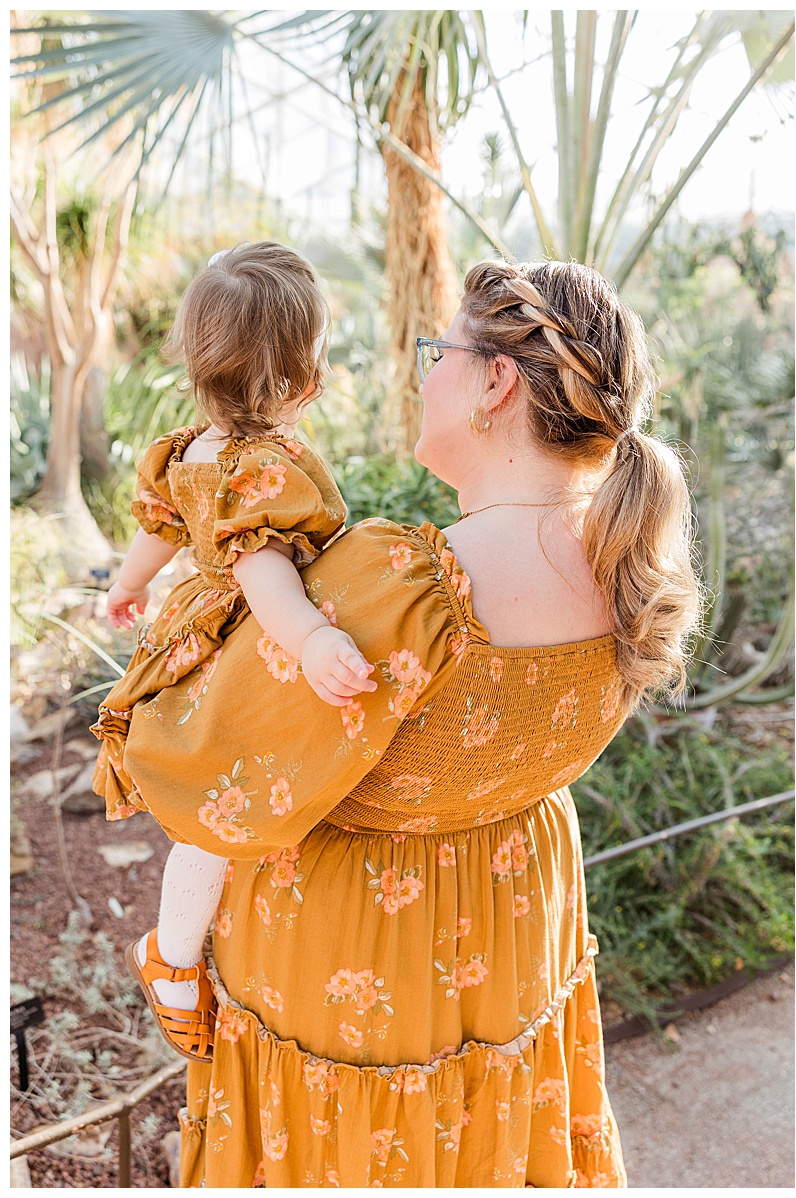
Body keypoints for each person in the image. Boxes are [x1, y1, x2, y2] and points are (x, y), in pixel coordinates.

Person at [109, 257, 698, 1186]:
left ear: (497, 381)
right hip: (512, 942)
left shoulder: (398, 588)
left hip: (353, 980)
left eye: (439, 352)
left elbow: (219, 759)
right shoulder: (631, 573)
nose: (424, 373)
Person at [94, 242, 375, 1064]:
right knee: (219, 818)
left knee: (225, 814)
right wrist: (316, 638)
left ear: (194, 357)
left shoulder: (189, 452)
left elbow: (157, 530)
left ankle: (195, 946)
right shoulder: (263, 470)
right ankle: (172, 962)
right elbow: (264, 574)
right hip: (251, 640)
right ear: (308, 380)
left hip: (206, 627)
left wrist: (125, 587)